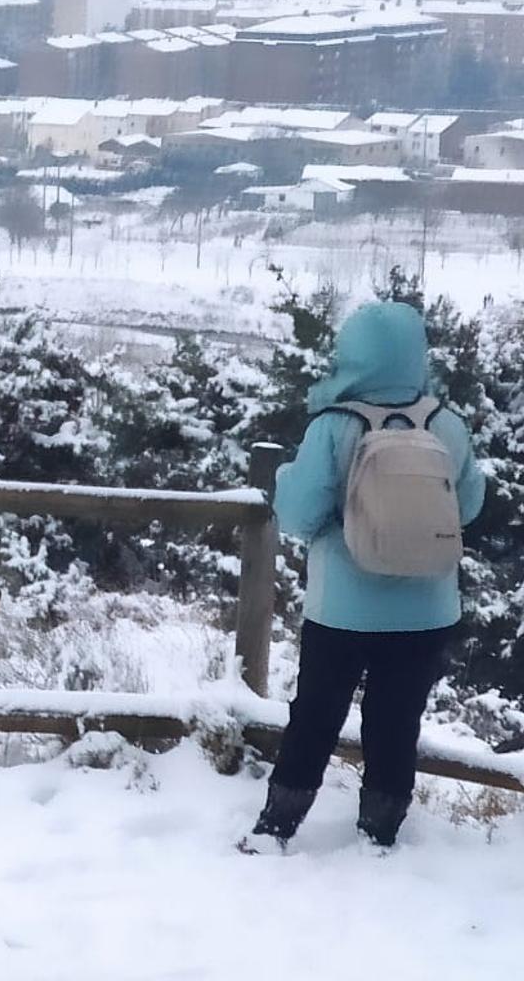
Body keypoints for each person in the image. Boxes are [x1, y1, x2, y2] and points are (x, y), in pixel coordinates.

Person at [242, 300, 486, 853]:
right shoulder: (446, 424)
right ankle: (378, 835)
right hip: (426, 611)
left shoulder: (334, 425)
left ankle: (277, 827)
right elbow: (467, 505)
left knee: (316, 717)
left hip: (342, 611)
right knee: (397, 722)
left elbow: (301, 515)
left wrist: (285, 478)